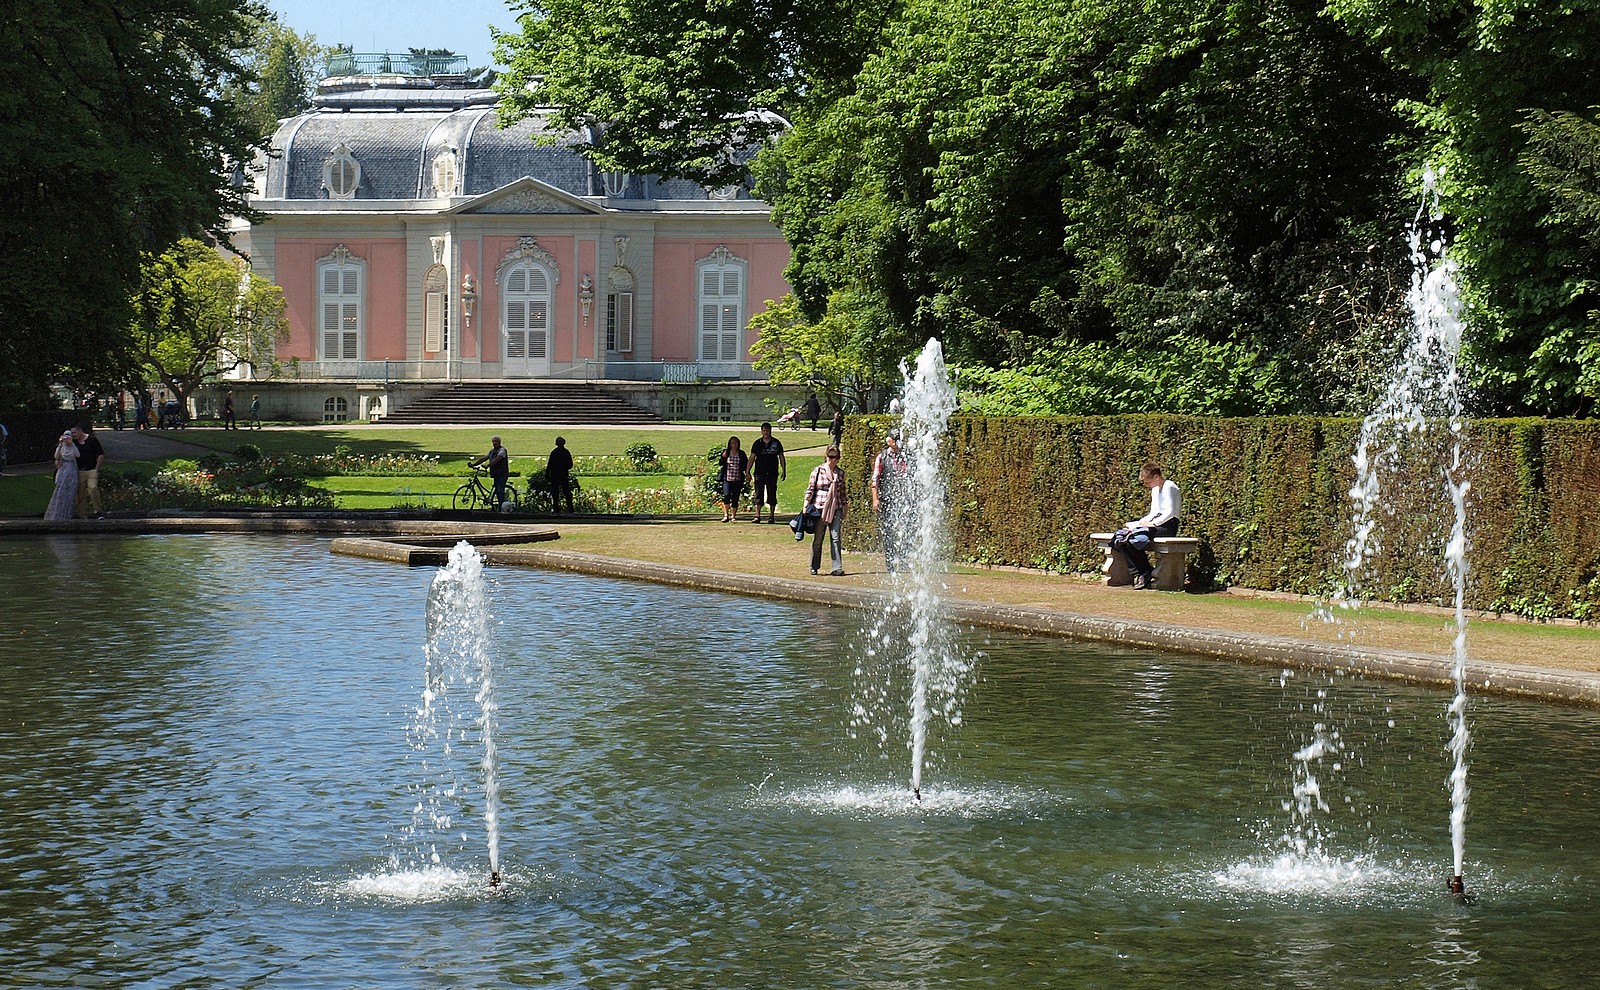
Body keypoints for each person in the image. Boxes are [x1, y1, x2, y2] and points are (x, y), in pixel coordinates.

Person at [1111, 462, 1182, 590]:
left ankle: (1144, 573)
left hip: (1168, 525)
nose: (1147, 485)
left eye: (1148, 482)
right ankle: (1141, 572)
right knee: (1124, 539)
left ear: (1156, 477)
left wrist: (1152, 524)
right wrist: (1138, 523)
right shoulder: (1155, 490)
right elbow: (1153, 512)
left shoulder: (1169, 486)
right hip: (1155, 523)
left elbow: (1169, 513)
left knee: (1134, 538)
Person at [871, 428, 911, 572]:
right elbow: (875, 479)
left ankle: (904, 560)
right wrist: (875, 499)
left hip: (904, 499)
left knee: (906, 529)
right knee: (889, 531)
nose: (892, 440)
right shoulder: (882, 457)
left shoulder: (906, 456)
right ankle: (890, 562)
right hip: (888, 499)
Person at [805, 445, 849, 575]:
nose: (833, 460)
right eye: (831, 457)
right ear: (826, 457)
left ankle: (837, 567)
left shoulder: (840, 473)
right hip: (819, 508)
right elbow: (811, 489)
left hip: (836, 508)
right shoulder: (818, 471)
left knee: (835, 537)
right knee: (818, 538)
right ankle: (814, 566)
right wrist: (806, 505)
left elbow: (843, 493)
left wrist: (845, 508)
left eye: (836, 458)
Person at [749, 422, 787, 523]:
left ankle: (771, 516)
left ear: (771, 431)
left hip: (772, 472)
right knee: (758, 493)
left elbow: (781, 457)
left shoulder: (776, 443)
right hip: (759, 472)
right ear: (761, 431)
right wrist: (747, 470)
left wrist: (784, 470)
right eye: (764, 430)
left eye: (768, 430)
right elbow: (752, 457)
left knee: (772, 493)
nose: (766, 432)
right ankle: (757, 515)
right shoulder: (757, 443)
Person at [72, 424, 106, 519]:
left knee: (93, 488)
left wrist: (97, 468)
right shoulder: (73, 443)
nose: (73, 435)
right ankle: (83, 515)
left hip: (91, 470)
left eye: (74, 432)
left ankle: (98, 512)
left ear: (80, 431)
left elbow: (100, 454)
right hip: (79, 471)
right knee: (80, 494)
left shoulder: (92, 440)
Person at [44, 431, 79, 521]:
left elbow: (77, 455)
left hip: (71, 469)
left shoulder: (72, 447)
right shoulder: (62, 447)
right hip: (63, 468)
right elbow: (56, 456)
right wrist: (60, 445)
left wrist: (72, 444)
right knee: (60, 490)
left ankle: (67, 514)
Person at [469, 435, 511, 509]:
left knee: (499, 490)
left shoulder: (502, 451)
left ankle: (502, 507)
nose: (494, 443)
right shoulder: (492, 451)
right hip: (496, 474)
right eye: (493, 441)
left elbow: (497, 459)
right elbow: (484, 458)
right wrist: (474, 464)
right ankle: (497, 506)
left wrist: (488, 465)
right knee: (497, 490)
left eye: (496, 441)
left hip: (502, 474)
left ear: (499, 442)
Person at [716, 435, 747, 522]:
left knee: (735, 497)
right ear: (729, 444)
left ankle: (733, 516)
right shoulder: (726, 452)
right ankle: (726, 515)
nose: (734, 444)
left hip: (737, 479)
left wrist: (747, 473)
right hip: (727, 478)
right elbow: (721, 463)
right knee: (726, 495)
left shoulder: (741, 453)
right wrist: (723, 457)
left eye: (735, 442)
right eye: (732, 442)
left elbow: (745, 464)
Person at [547, 436, 575, 513]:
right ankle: (570, 508)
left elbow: (549, 464)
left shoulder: (554, 452)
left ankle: (556, 509)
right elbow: (570, 464)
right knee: (566, 492)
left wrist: (547, 473)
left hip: (555, 474)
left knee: (555, 492)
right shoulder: (566, 452)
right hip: (563, 474)